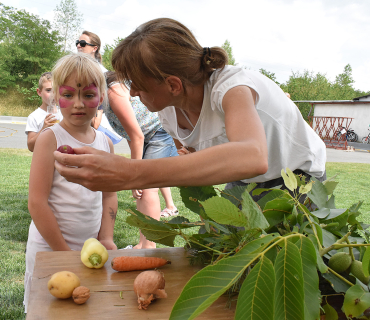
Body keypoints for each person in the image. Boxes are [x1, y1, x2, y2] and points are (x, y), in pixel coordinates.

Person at [54, 18, 326, 199]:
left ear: (173, 84)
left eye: (138, 83)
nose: (133, 91)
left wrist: (129, 172)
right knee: (215, 254)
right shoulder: (167, 109)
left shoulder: (231, 87)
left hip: (298, 178)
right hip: (247, 182)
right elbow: (197, 153)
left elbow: (253, 156)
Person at [24, 53, 117, 312]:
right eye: (68, 95)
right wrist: (63, 253)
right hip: (50, 247)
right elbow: (37, 202)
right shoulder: (49, 139)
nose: (78, 104)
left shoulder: (105, 143)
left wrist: (106, 237)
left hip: (90, 248)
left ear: (101, 99)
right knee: (50, 310)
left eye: (88, 95)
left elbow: (109, 195)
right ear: (56, 98)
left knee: (84, 309)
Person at [105, 71, 178, 249]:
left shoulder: (112, 94)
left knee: (148, 188)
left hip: (159, 132)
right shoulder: (105, 101)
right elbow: (130, 136)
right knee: (141, 190)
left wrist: (134, 174)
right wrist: (135, 177)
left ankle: (150, 246)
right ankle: (143, 243)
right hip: (145, 136)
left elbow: (136, 136)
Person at [76, 30, 122, 144]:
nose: (78, 45)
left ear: (94, 48)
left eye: (82, 43)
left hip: (99, 126)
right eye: (77, 42)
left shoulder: (99, 72)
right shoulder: (80, 69)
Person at [25, 72, 63, 152]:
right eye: (48, 90)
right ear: (39, 92)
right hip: (44, 160)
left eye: (56, 90)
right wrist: (43, 128)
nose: (53, 94)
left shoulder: (64, 113)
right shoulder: (34, 117)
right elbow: (31, 147)